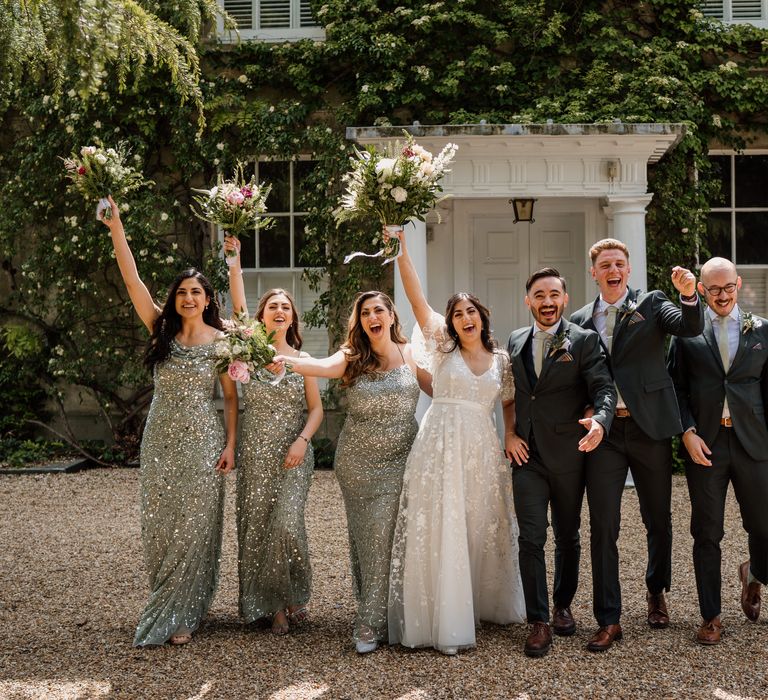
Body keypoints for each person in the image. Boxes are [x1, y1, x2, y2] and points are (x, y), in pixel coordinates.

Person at [100, 196, 238, 647]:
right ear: (175, 299)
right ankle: (168, 595)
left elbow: (231, 398)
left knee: (195, 522)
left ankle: (183, 611)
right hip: (160, 436)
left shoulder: (222, 340)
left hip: (202, 437)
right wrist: (116, 227)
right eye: (182, 292)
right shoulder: (159, 328)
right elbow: (132, 278)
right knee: (160, 522)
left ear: (206, 299)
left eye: (196, 292)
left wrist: (230, 445)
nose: (189, 298)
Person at [386, 227, 526, 656]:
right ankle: (442, 617)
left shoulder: (502, 360)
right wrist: (401, 249)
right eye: (458, 313)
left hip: (481, 448)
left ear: (482, 316)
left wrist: (512, 434)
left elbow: (507, 404)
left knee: (480, 522)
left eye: (471, 311)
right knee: (442, 522)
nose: (466, 318)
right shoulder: (443, 347)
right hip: (439, 445)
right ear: (452, 322)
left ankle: (483, 604)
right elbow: (414, 298)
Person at [273, 290, 430, 653]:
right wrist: (286, 361)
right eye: (365, 313)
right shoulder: (351, 356)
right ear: (360, 322)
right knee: (369, 539)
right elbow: (323, 367)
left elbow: (440, 390)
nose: (372, 317)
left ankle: (378, 617)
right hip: (358, 463)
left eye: (379, 310)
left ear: (391, 316)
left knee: (387, 536)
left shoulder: (412, 353)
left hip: (402, 459)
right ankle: (371, 617)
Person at [569, 238, 703, 651]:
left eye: (620, 264)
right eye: (605, 264)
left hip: (649, 428)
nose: (613, 270)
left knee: (657, 519)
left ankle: (656, 589)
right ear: (594, 272)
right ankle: (608, 618)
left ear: (628, 271)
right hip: (604, 435)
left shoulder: (652, 303)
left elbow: (689, 325)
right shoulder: (578, 321)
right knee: (603, 525)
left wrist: (689, 295)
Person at [506, 267, 615, 657]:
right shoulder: (516, 339)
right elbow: (516, 395)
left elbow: (603, 386)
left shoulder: (583, 340)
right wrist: (510, 434)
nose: (547, 301)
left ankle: (562, 605)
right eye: (539, 294)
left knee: (568, 535)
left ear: (565, 299)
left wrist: (601, 420)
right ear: (528, 300)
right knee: (530, 537)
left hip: (570, 455)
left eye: (554, 294)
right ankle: (538, 621)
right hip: (527, 457)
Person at [223, 236, 323, 635]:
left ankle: (292, 591)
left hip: (294, 452)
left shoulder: (304, 361)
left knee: (285, 523)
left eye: (286, 307)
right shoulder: (249, 354)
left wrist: (302, 441)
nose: (279, 310)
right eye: (273, 306)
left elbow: (316, 410)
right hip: (256, 453)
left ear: (292, 319)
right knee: (256, 526)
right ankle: (269, 606)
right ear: (262, 317)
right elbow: (237, 306)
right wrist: (235, 262)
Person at [668, 257, 768, 645]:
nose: (722, 296)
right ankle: (711, 615)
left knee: (763, 524)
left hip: (753, 442)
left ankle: (754, 573)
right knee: (706, 531)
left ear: (739, 285)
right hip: (706, 443)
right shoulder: (687, 332)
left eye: (728, 288)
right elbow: (675, 388)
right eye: (713, 289)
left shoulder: (762, 330)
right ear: (703, 290)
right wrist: (687, 432)